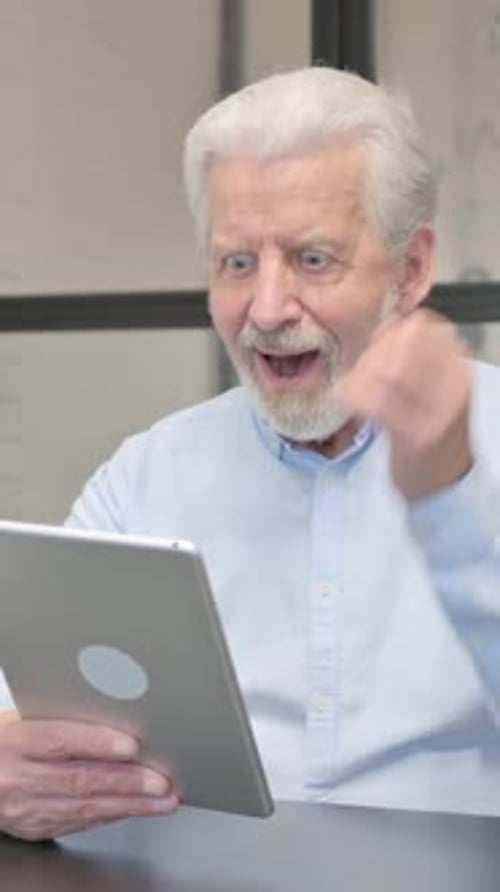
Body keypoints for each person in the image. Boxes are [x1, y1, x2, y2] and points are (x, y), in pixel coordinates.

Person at [1, 66, 500, 842]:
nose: (266, 310)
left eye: (312, 259)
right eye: (237, 263)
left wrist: (451, 503)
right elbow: (27, 680)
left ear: (410, 270)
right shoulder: (149, 473)